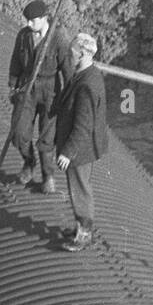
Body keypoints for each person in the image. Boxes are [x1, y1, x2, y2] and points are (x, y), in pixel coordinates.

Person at [8, 0, 72, 194]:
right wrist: (13, 86)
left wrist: (69, 98)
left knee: (47, 139)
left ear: (45, 19)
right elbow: (15, 63)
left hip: (51, 91)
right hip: (27, 88)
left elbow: (67, 70)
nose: (28, 24)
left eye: (33, 20)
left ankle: (47, 176)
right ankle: (29, 163)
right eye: (27, 20)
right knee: (19, 133)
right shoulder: (24, 36)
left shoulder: (58, 37)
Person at [53, 32, 108, 250]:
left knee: (79, 188)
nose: (70, 56)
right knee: (79, 186)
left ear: (84, 53)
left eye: (73, 52)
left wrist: (68, 152)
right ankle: (79, 226)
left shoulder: (87, 84)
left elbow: (84, 125)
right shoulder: (88, 73)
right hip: (84, 147)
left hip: (81, 149)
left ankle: (84, 233)